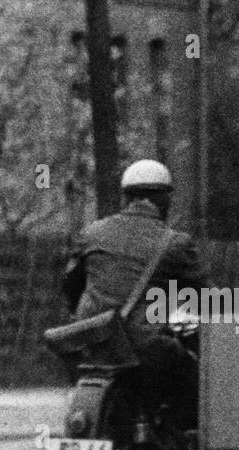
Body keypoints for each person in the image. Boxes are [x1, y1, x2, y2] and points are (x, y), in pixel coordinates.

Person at [62, 159, 204, 428]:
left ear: (126, 197)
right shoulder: (176, 243)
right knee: (194, 375)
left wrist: (80, 316)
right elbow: (207, 299)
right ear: (164, 201)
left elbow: (70, 285)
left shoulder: (91, 234)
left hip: (90, 342)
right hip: (146, 347)